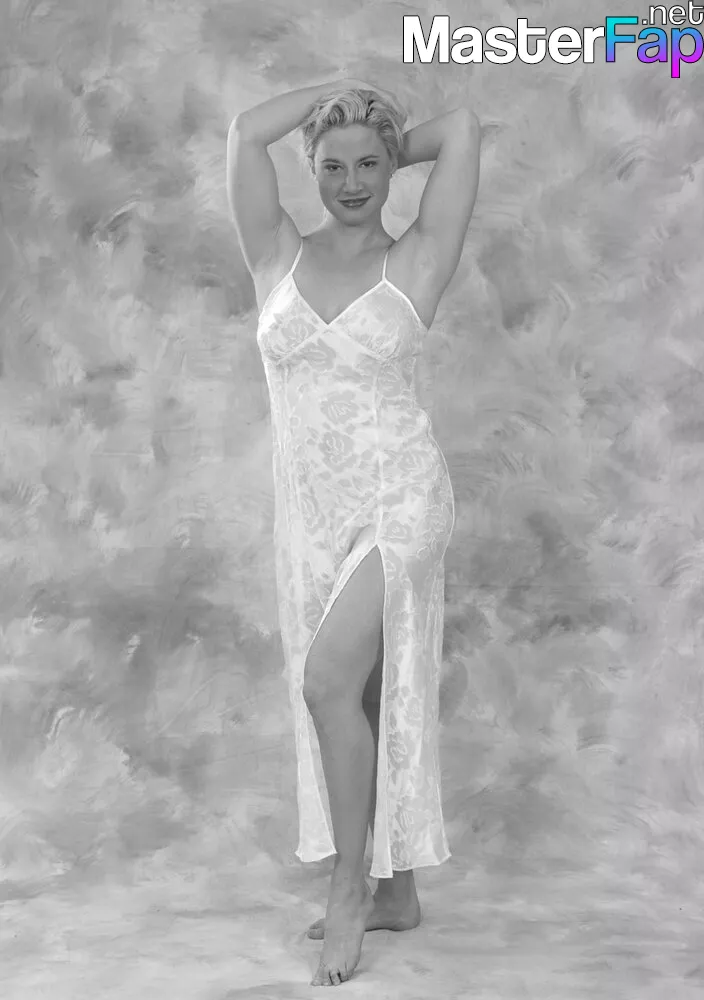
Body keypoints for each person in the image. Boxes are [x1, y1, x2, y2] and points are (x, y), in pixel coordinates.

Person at [227, 78, 480, 986]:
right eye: (333, 167)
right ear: (311, 168)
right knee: (366, 697)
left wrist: (382, 129)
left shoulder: (417, 261)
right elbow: (243, 133)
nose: (352, 183)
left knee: (328, 682)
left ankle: (349, 887)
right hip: (311, 514)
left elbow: (463, 129)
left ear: (392, 169)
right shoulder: (275, 254)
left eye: (370, 165)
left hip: (399, 498)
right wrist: (330, 102)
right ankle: (398, 889)